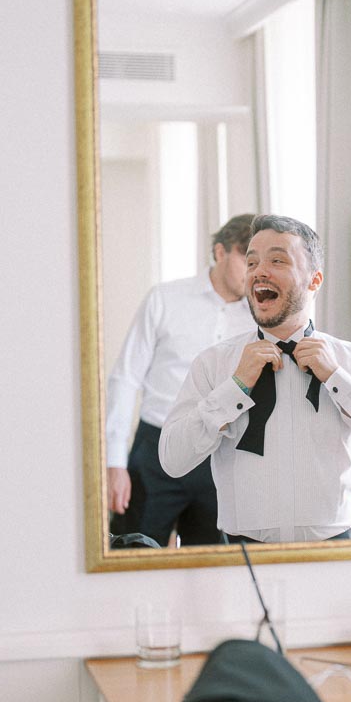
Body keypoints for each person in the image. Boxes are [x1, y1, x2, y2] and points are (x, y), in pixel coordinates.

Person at [159, 214, 351, 543]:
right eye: (251, 262)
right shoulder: (214, 364)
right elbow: (172, 460)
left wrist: (338, 380)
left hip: (333, 553)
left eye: (277, 260)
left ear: (314, 280)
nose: (259, 272)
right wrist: (234, 388)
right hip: (243, 555)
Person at [105, 214, 257, 547]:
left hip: (221, 456)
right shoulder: (165, 299)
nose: (253, 273)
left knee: (211, 572)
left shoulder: (261, 317)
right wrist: (114, 463)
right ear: (220, 252)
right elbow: (125, 377)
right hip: (155, 451)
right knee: (134, 557)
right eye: (246, 260)